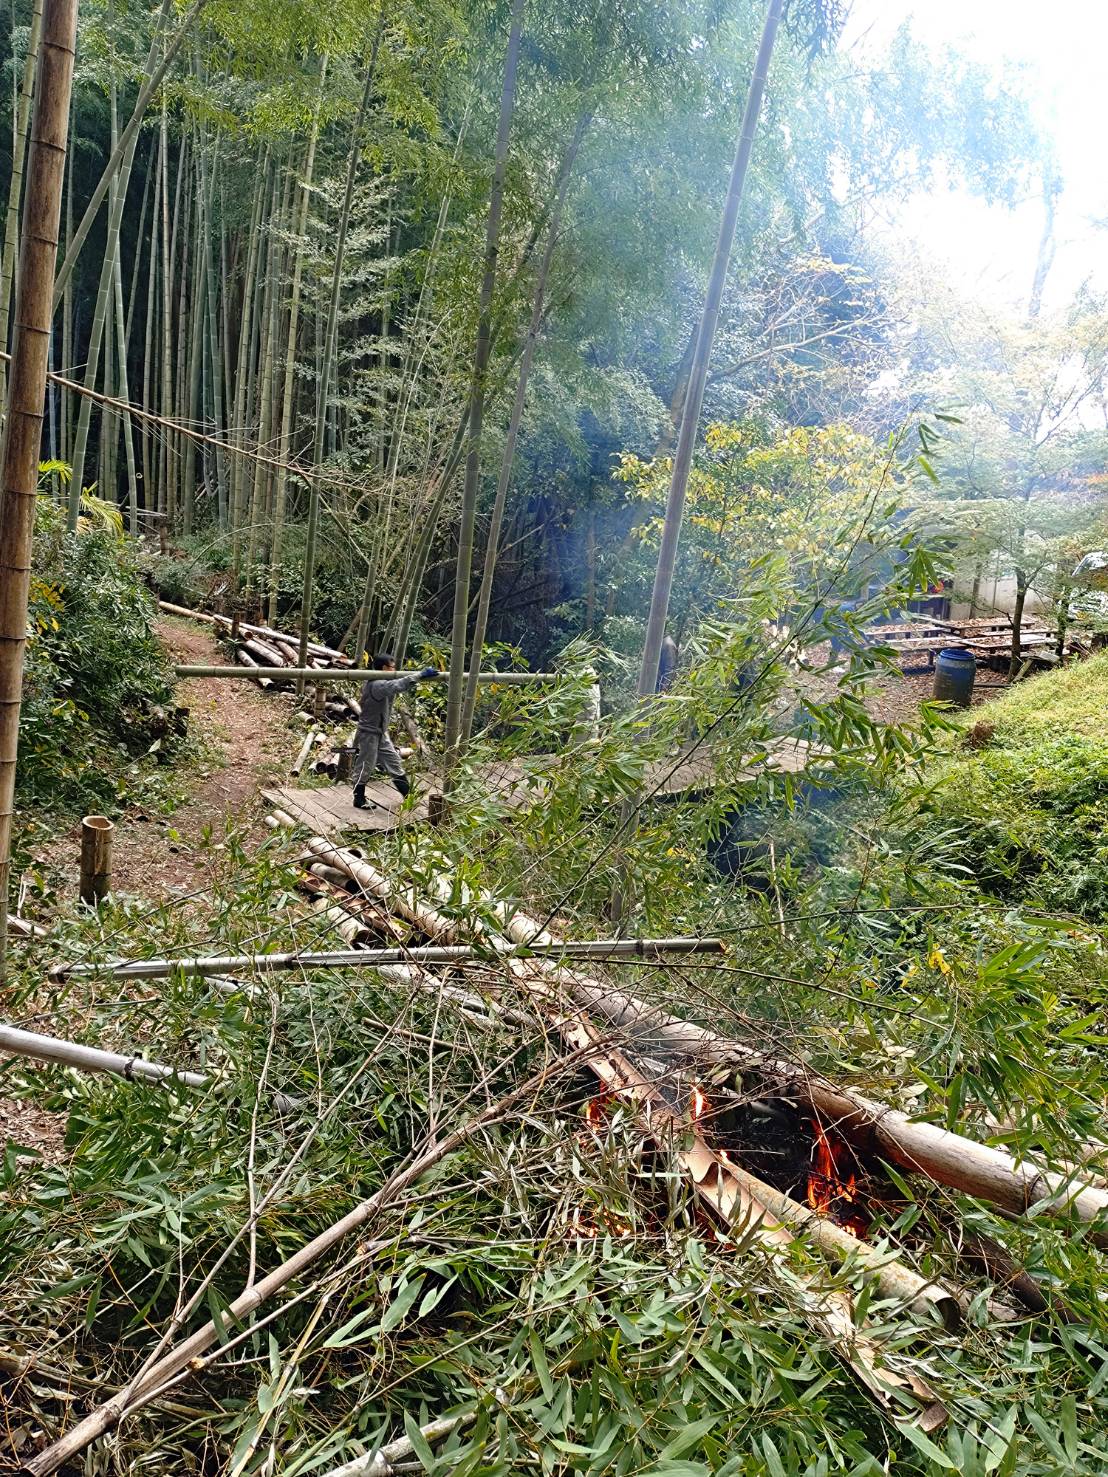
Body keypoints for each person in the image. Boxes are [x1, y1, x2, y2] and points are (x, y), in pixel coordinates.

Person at [353, 654, 440, 809]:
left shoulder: (380, 681)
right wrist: (420, 675)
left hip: (380, 732)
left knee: (393, 761)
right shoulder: (377, 684)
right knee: (366, 765)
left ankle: (409, 794)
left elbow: (397, 683)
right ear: (384, 668)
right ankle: (358, 799)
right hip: (369, 733)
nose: (395, 670)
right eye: (392, 667)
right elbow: (398, 685)